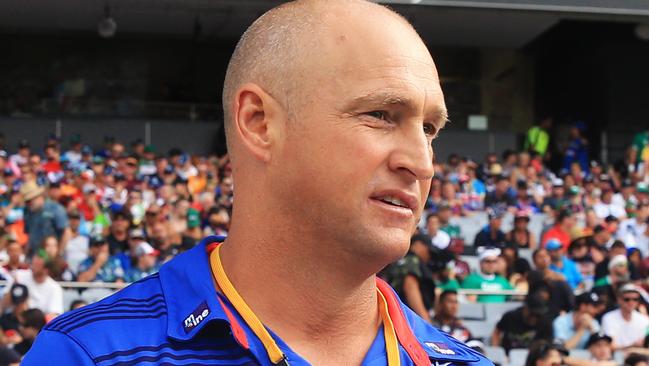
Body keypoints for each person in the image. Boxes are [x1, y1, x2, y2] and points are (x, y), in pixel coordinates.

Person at [24, 1, 491, 365]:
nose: (422, 163)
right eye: (381, 115)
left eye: (430, 129)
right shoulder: (91, 355)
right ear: (260, 123)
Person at [383, 234, 436, 323]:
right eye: (428, 251)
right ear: (418, 245)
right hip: (409, 317)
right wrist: (425, 320)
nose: (429, 256)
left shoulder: (399, 260)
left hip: (396, 313)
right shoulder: (412, 260)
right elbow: (410, 287)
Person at [20, 181, 68, 255]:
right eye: (27, 201)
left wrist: (59, 252)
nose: (29, 204)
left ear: (39, 196)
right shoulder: (27, 211)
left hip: (51, 253)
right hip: (35, 254)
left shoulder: (55, 208)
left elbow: (66, 232)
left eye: (30, 200)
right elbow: (29, 234)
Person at [601, 283, 649, 350]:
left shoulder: (644, 319)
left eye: (635, 299)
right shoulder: (608, 317)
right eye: (627, 299)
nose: (631, 302)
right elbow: (610, 346)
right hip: (616, 357)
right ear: (618, 300)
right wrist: (632, 346)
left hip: (639, 356)